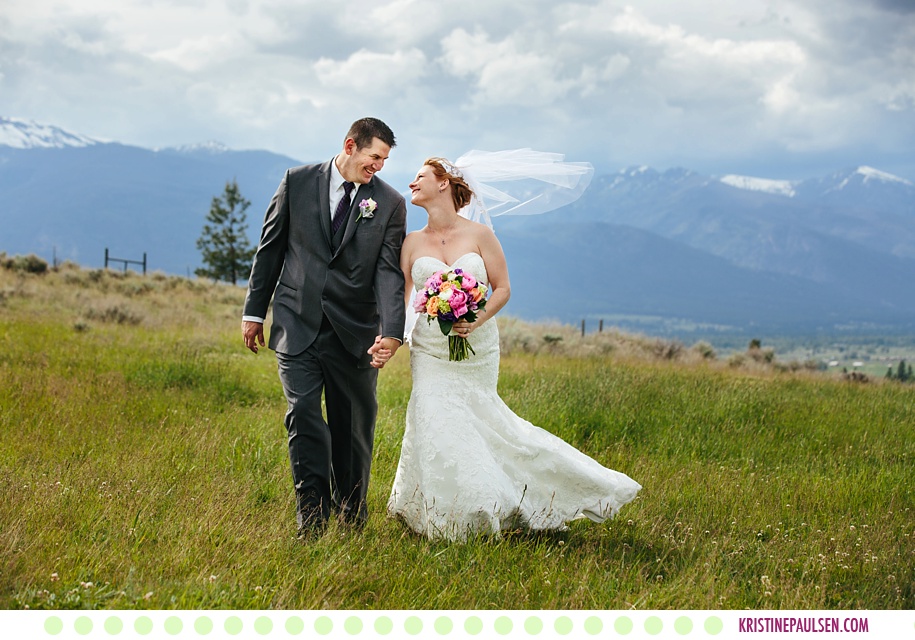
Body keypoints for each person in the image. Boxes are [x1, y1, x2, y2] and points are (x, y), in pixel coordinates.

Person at [374, 152, 641, 541]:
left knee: (486, 424)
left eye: (419, 176)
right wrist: (391, 338)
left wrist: (475, 318)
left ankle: (521, 497)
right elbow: (400, 297)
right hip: (430, 350)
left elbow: (502, 289)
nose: (411, 183)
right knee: (435, 420)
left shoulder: (481, 236)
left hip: (477, 346)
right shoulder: (411, 242)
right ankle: (445, 513)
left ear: (444, 182)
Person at [242, 117, 406, 538]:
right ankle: (310, 518)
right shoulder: (296, 182)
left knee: (353, 429)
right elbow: (270, 248)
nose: (379, 167)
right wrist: (254, 312)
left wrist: (392, 330)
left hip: (355, 333)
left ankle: (352, 515)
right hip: (297, 323)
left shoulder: (388, 203)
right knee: (303, 415)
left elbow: (388, 272)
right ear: (350, 145)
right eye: (374, 157)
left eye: (385, 160)